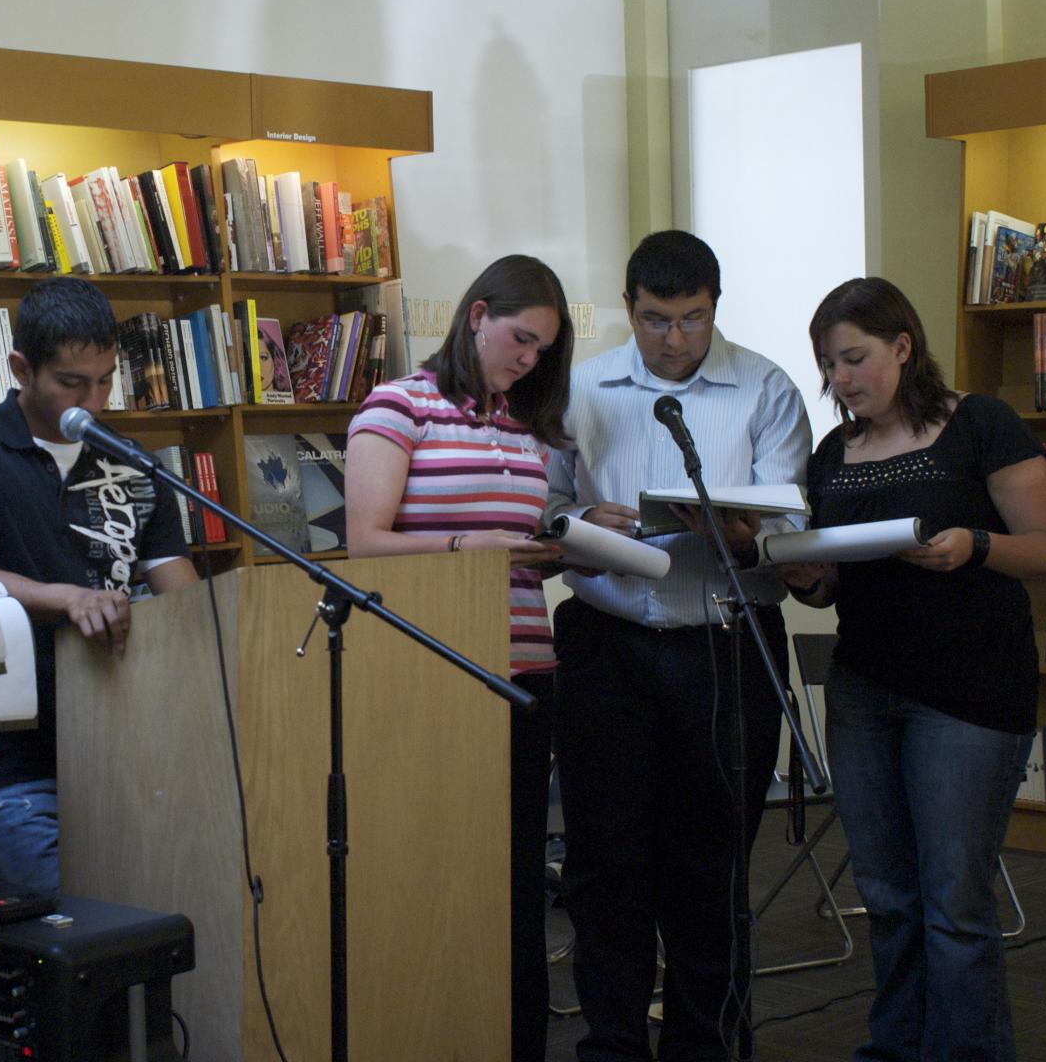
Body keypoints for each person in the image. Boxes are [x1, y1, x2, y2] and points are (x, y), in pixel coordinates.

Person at [546, 229, 811, 1062]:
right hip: (608, 647)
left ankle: (705, 1044)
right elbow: (543, 510)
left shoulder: (765, 387)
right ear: (629, 309)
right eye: (658, 320)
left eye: (694, 319)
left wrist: (738, 533)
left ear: (715, 307)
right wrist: (581, 523)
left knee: (712, 865)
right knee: (605, 866)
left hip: (726, 645)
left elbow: (794, 529)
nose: (675, 339)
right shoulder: (581, 388)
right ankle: (614, 1045)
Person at [784, 277, 1046, 1061]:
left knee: (953, 904)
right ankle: (897, 1048)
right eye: (828, 364)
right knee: (887, 898)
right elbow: (834, 578)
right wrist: (808, 577)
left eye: (855, 358)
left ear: (903, 348)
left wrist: (972, 544)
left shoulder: (980, 423)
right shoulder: (833, 454)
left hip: (967, 694)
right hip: (865, 688)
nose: (840, 379)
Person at [344, 253, 572, 1062]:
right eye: (520, 338)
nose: (529, 359)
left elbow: (516, 542)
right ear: (475, 315)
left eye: (543, 349)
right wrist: (470, 545)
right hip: (437, 671)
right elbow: (363, 544)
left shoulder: (522, 425)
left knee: (515, 884)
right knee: (446, 871)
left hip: (526, 667)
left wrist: (569, 542)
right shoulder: (400, 405)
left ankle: (517, 1044)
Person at [0, 276, 199, 892]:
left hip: (131, 742)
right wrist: (71, 599)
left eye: (105, 380)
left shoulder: (132, 459)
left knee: (149, 923)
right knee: (68, 933)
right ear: (21, 367)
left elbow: (184, 595)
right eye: (71, 382)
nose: (90, 402)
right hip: (17, 758)